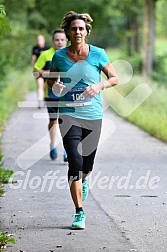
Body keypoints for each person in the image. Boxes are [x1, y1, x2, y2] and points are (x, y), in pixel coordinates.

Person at [48, 11, 119, 229]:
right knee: (75, 163)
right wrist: (56, 86)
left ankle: (84, 179)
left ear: (87, 31)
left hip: (92, 117)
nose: (78, 31)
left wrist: (99, 85)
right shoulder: (59, 56)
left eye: (81, 28)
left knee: (86, 166)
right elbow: (51, 80)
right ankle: (79, 212)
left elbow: (115, 78)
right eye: (74, 28)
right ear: (68, 32)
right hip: (68, 116)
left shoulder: (98, 54)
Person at [33, 29, 68, 161]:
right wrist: (48, 74)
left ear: (66, 41)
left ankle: (67, 150)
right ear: (52, 41)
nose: (59, 42)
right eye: (57, 40)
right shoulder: (46, 55)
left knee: (67, 121)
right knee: (54, 121)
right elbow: (35, 71)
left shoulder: (70, 54)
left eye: (62, 40)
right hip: (51, 94)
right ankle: (53, 144)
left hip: (67, 94)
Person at [31, 34, 50, 108]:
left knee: (45, 86)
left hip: (47, 70)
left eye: (41, 39)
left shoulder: (48, 48)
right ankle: (40, 101)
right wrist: (33, 68)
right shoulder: (35, 48)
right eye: (38, 40)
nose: (39, 41)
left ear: (44, 40)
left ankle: (45, 99)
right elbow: (33, 58)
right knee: (40, 84)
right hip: (38, 70)